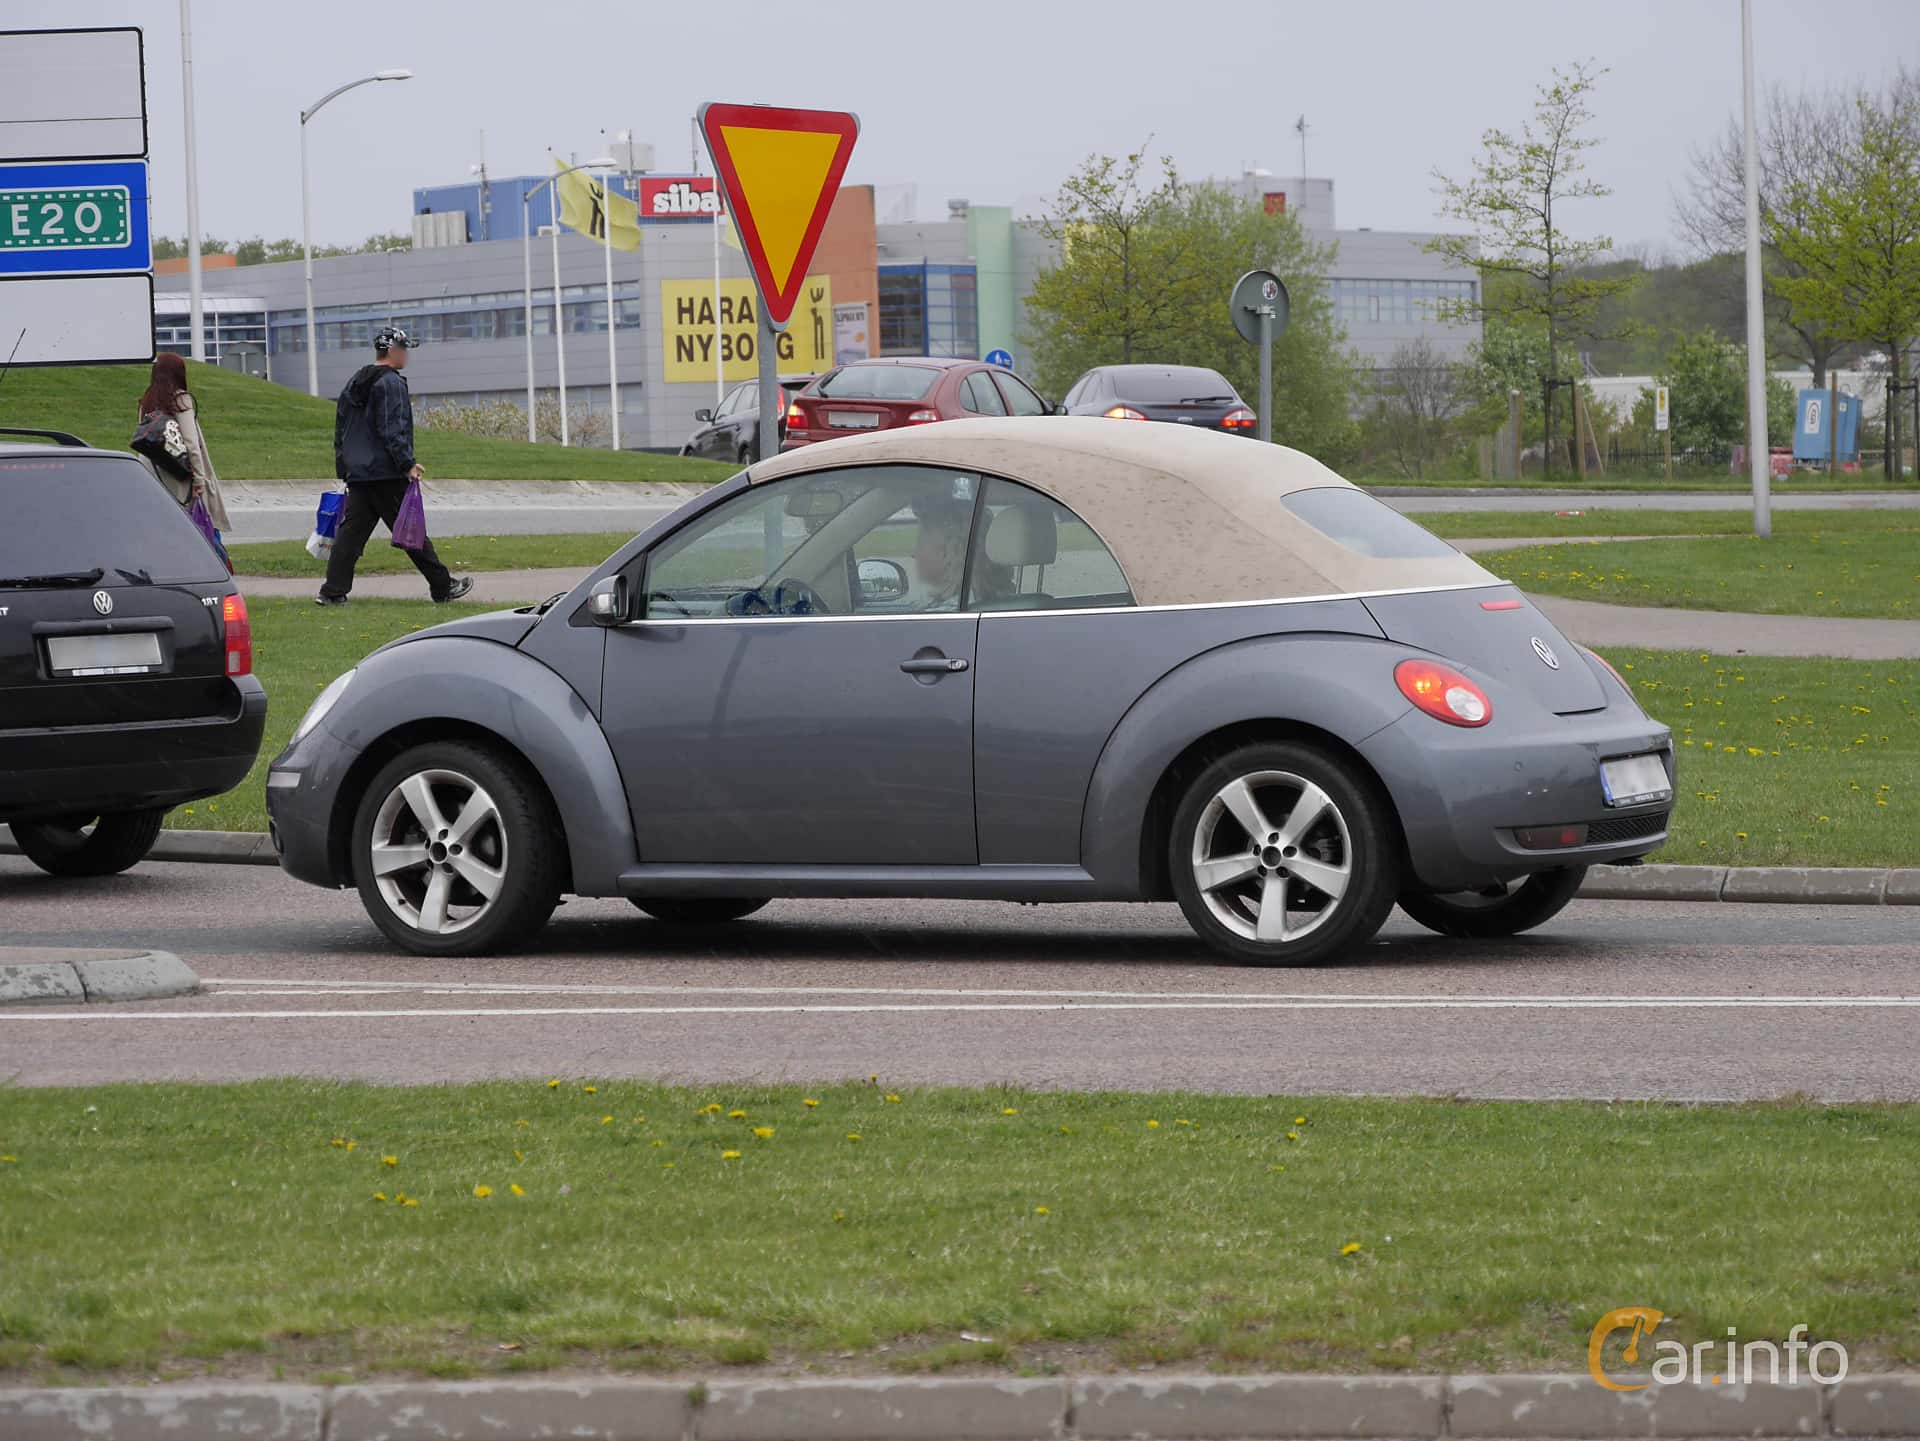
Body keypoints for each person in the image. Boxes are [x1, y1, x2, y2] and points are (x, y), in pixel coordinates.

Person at [318, 326, 472, 606]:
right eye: (404, 349)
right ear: (392, 351)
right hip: (386, 471)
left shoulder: (354, 382)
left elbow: (341, 429)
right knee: (411, 530)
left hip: (360, 473)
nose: (407, 355)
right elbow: (392, 427)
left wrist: (344, 468)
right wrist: (407, 463)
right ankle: (442, 586)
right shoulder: (391, 383)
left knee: (350, 537)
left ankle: (332, 591)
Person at [136, 352, 232, 567]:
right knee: (199, 527)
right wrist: (199, 479)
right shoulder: (180, 400)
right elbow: (191, 443)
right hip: (179, 475)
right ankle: (216, 568)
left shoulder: (147, 400)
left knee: (163, 528)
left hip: (152, 474)